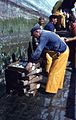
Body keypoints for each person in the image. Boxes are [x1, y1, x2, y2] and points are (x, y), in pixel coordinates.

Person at [26, 25, 69, 94]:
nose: (34, 37)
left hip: (62, 53)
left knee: (53, 72)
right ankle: (58, 86)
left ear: (37, 32)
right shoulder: (45, 33)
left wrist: (31, 61)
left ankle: (51, 91)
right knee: (59, 71)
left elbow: (39, 49)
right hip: (61, 51)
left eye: (34, 35)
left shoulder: (44, 36)